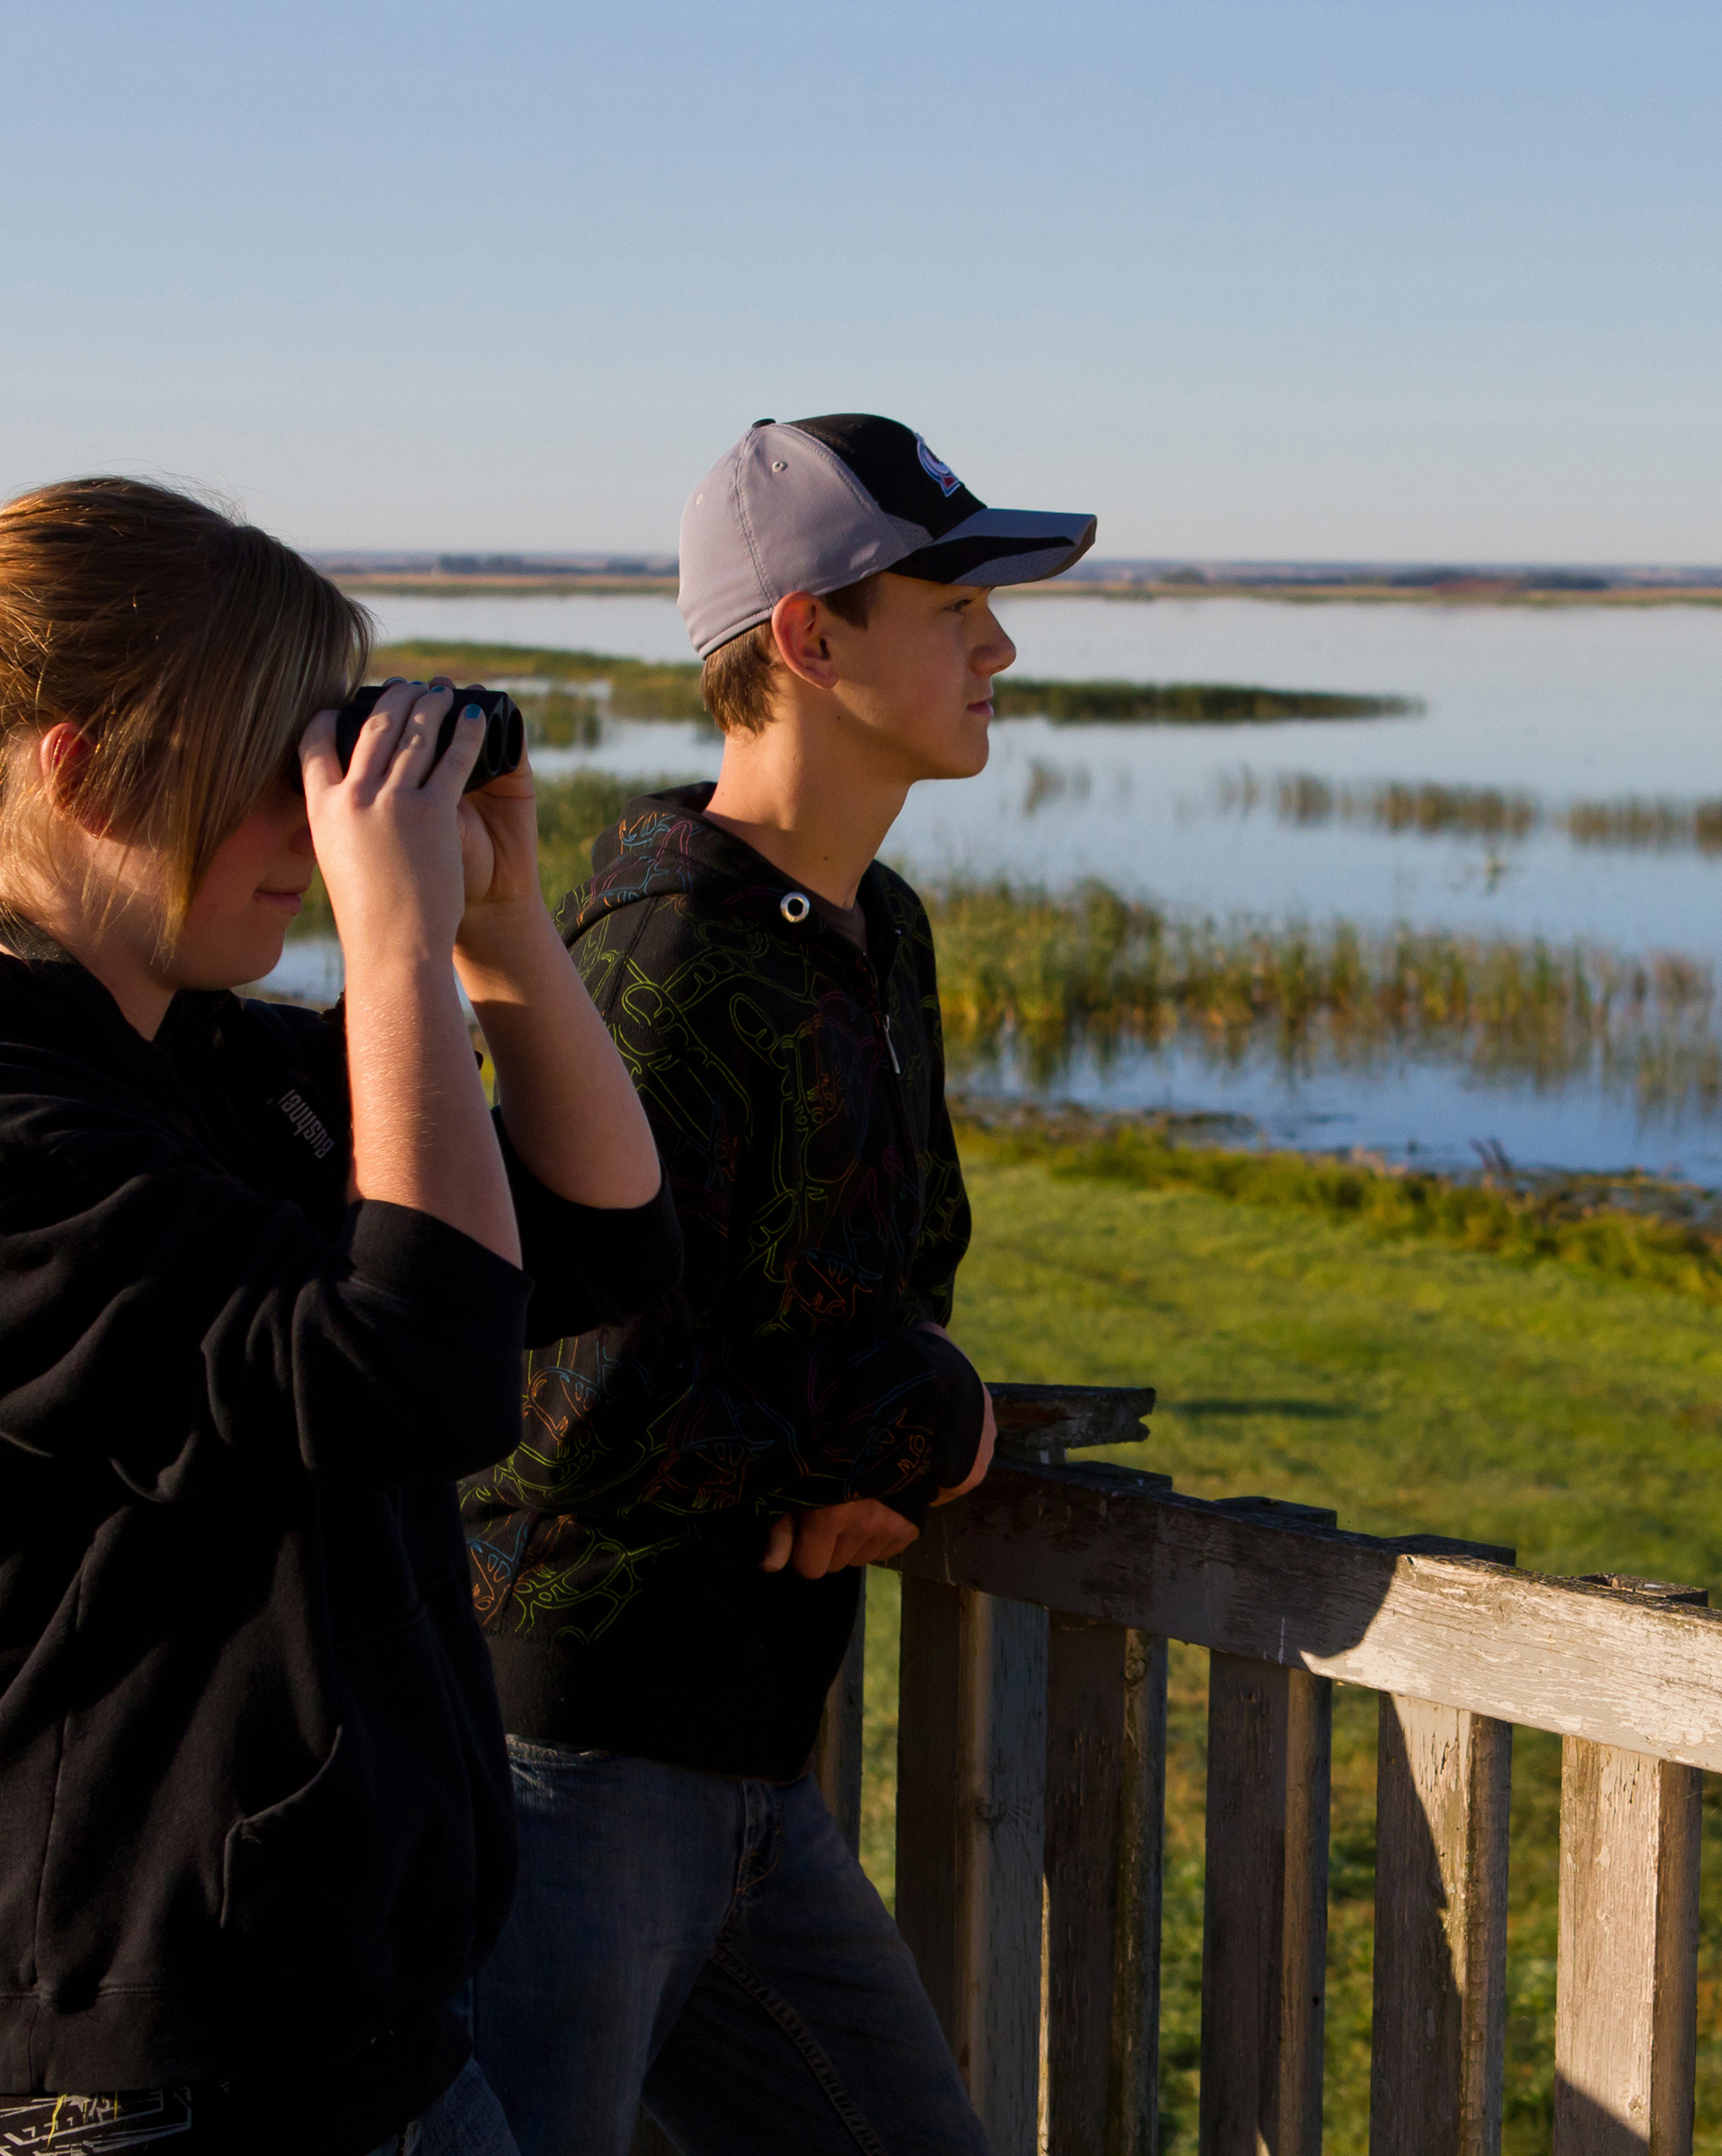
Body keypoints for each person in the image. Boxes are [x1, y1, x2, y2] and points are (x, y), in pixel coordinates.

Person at [0, 480, 679, 2155]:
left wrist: (503, 929)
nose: (311, 828)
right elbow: (418, 1372)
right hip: (129, 2078)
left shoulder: (212, 1064)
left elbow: (602, 1237)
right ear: (82, 767)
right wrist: (390, 954)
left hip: (366, 2033)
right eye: (276, 767)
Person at [458, 416, 1091, 2155]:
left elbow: (893, 1293)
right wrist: (915, 1428)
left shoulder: (878, 930)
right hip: (571, 1768)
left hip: (750, 1766)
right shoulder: (659, 957)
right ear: (809, 637)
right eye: (953, 600)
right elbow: (569, 1402)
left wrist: (885, 1452)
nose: (1001, 643)